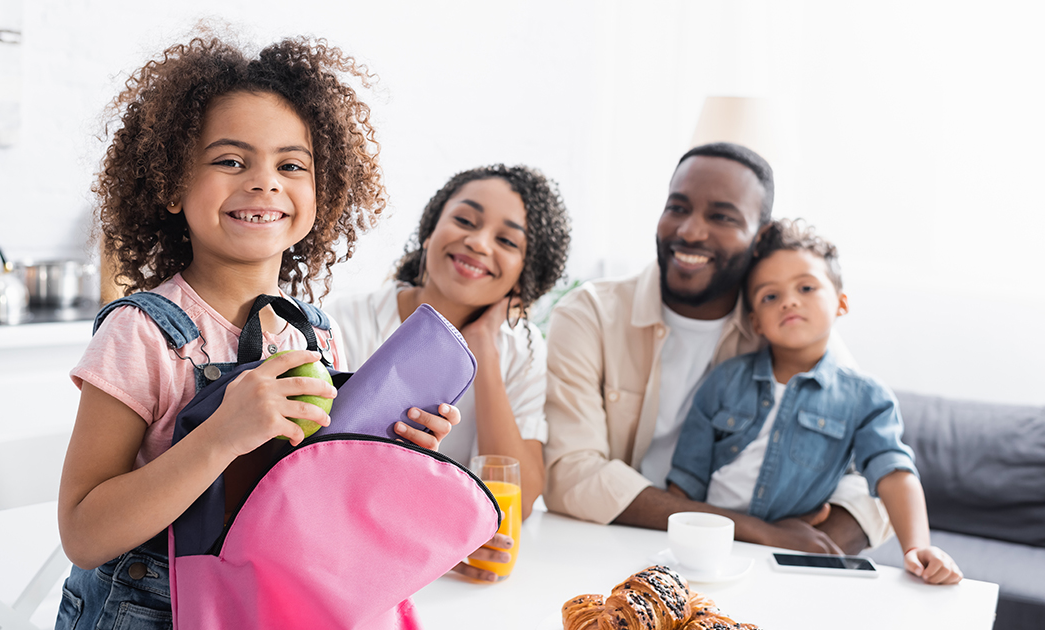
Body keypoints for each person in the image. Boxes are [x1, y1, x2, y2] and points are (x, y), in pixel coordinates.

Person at [55, 34, 461, 629]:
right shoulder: (142, 333)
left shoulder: (317, 337)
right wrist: (221, 436)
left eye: (291, 165)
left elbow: (310, 506)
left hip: (263, 608)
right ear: (170, 184)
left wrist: (389, 452)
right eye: (230, 160)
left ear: (321, 194)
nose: (265, 182)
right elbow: (83, 533)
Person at [543, 142, 888, 555]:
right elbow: (571, 476)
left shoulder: (780, 319)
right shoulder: (590, 315)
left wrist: (800, 548)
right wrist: (752, 531)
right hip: (605, 545)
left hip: (734, 562)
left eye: (721, 216)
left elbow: (878, 472)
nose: (690, 231)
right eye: (678, 207)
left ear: (759, 239)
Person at [667, 219, 962, 584]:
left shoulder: (865, 397)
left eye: (806, 287)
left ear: (841, 303)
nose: (789, 300)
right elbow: (685, 481)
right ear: (756, 322)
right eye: (770, 296)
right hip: (713, 551)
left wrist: (916, 548)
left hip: (785, 560)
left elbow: (893, 471)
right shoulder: (724, 380)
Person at [328, 164, 571, 581]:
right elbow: (323, 477)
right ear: (429, 231)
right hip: (348, 561)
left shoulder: (521, 352)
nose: (477, 242)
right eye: (464, 220)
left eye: (507, 240)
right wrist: (436, 530)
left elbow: (521, 499)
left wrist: (483, 352)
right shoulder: (343, 323)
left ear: (524, 274)